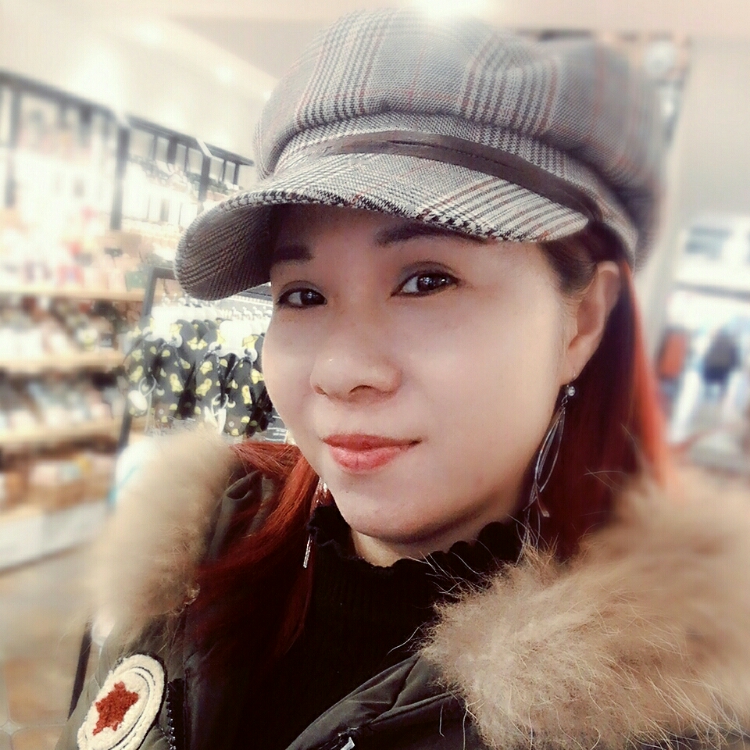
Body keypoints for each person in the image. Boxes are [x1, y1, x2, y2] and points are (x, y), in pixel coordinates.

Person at [59, 10, 750, 750]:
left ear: (581, 324)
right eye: (302, 294)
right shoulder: (189, 556)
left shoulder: (659, 722)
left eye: (427, 281)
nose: (341, 372)